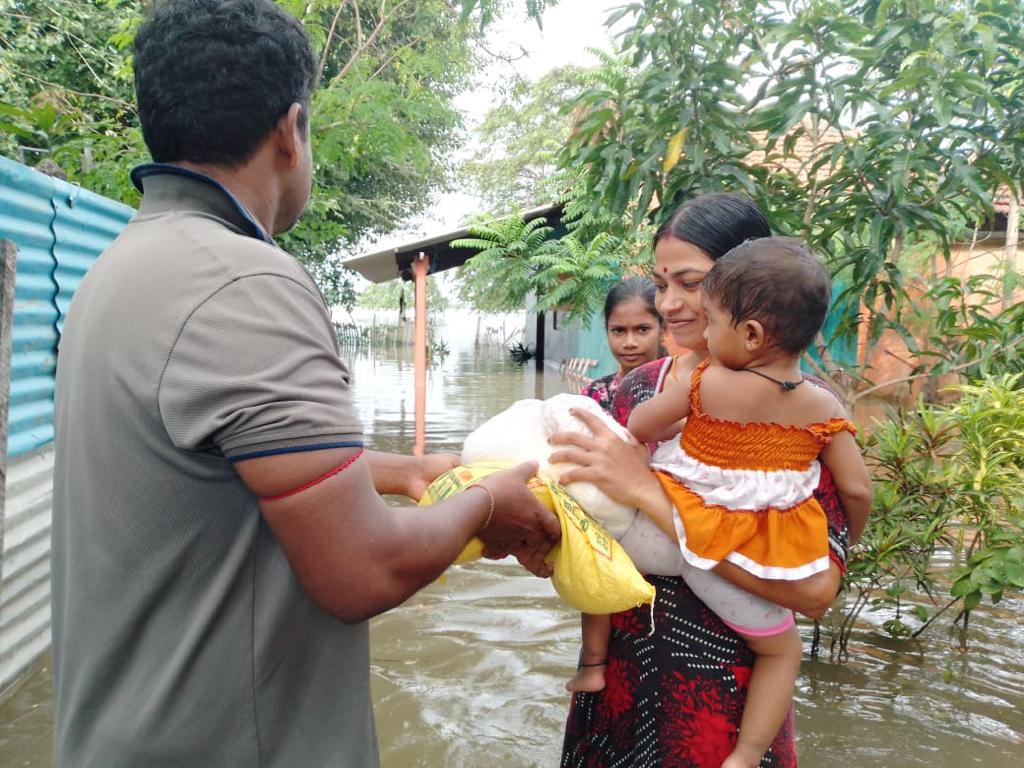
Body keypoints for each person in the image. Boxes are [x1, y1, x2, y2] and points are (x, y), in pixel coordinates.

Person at [49, 3, 559, 767]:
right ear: (290, 132)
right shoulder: (243, 282)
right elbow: (363, 570)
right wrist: (485, 503)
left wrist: (405, 471)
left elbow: (221, 464)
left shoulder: (119, 271)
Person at [552, 193, 857, 767]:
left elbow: (816, 592)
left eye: (690, 283)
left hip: (724, 703)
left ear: (749, 285)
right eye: (660, 283)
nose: (668, 303)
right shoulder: (635, 390)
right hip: (618, 687)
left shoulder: (801, 411)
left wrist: (650, 496)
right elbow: (590, 523)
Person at [581, 276, 664, 412]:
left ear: (662, 330)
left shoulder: (682, 394)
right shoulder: (593, 398)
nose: (629, 343)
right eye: (619, 331)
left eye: (643, 329)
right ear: (607, 330)